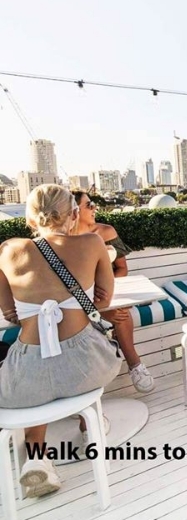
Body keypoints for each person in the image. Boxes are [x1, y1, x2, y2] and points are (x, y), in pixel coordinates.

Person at [0, 184, 122, 497]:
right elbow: (104, 300)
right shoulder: (92, 242)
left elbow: (10, 313)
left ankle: (36, 457)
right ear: (74, 214)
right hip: (85, 365)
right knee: (86, 365)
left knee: (36, 387)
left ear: (30, 219)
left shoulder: (8, 250)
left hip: (28, 371)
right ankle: (90, 426)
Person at [71, 190, 153, 393]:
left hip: (107, 291)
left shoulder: (106, 232)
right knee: (111, 313)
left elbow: (122, 268)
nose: (94, 208)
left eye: (93, 204)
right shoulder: (64, 240)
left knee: (120, 311)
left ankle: (135, 364)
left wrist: (105, 288)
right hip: (78, 297)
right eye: (88, 205)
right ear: (74, 211)